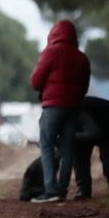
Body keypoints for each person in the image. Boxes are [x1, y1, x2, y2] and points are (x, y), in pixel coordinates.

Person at [30, 19, 90, 203]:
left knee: (47, 146)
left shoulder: (50, 52)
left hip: (52, 107)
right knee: (68, 150)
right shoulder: (82, 57)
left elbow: (35, 82)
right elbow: (84, 87)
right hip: (73, 108)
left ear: (53, 34)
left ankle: (51, 189)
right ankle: (62, 189)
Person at [74, 95, 109, 199]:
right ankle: (83, 189)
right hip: (90, 123)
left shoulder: (75, 111)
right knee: (80, 155)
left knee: (106, 153)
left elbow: (95, 133)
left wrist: (72, 137)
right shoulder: (67, 112)